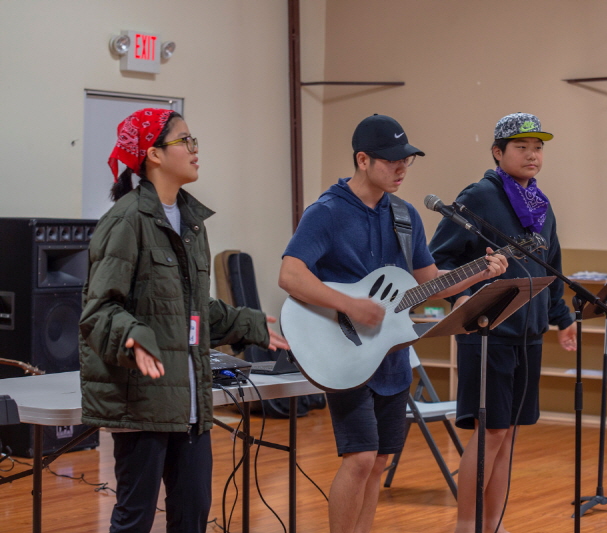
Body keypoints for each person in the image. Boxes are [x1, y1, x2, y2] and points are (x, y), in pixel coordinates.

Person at [278, 114, 508, 533]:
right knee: (361, 457)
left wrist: (480, 272)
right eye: (391, 160)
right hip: (342, 352)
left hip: (389, 352)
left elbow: (429, 283)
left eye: (407, 159)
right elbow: (291, 275)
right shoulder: (327, 212)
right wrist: (349, 305)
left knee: (380, 459)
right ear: (363, 160)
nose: (402, 167)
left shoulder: (405, 215)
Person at [79, 108, 289, 533]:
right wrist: (134, 336)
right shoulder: (125, 221)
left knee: (192, 516)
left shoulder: (191, 222)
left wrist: (248, 323)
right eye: (185, 141)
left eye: (195, 141)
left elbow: (192, 308)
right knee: (135, 519)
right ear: (154, 154)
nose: (195, 150)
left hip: (191, 403)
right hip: (140, 403)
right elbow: (99, 311)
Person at [428, 112, 578, 533]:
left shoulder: (540, 204)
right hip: (487, 332)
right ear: (498, 152)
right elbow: (439, 260)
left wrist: (562, 318)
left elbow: (551, 266)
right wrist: (461, 298)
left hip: (528, 334)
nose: (532, 155)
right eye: (521, 147)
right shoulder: (479, 197)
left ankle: (493, 525)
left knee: (507, 433)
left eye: (538, 148)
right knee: (490, 433)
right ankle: (467, 525)